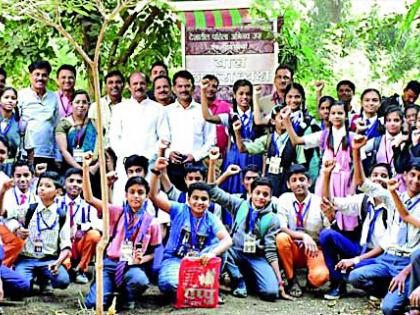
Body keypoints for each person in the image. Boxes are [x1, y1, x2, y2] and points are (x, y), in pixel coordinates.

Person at [83, 153, 162, 311]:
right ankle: (107, 287)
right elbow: (89, 198)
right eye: (132, 192)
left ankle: (126, 295)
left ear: (147, 197)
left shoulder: (152, 222)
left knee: (139, 280)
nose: (136, 196)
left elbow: (157, 250)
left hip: (132, 265)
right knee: (93, 304)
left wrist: (143, 259)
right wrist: (85, 167)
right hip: (111, 263)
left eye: (140, 193)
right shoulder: (117, 212)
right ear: (126, 195)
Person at [319, 137, 394, 300]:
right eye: (375, 175)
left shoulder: (393, 205)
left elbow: (384, 246)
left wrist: (355, 260)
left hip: (382, 256)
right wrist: (326, 175)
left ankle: (380, 289)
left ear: (391, 180)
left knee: (354, 270)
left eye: (384, 175)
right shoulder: (364, 199)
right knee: (327, 235)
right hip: (362, 250)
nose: (379, 179)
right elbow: (329, 202)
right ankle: (338, 284)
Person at [148, 156, 232, 298]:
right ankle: (201, 288)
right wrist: (156, 172)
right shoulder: (178, 209)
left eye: (204, 199)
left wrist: (212, 253)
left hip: (200, 260)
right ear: (188, 199)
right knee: (168, 285)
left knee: (220, 248)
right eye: (195, 198)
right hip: (176, 259)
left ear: (209, 201)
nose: (199, 202)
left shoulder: (211, 218)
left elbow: (227, 240)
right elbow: (154, 197)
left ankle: (200, 286)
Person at [348, 158, 420, 315]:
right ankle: (389, 291)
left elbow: (406, 216)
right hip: (388, 258)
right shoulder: (391, 197)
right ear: (405, 175)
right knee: (354, 276)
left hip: (408, 263)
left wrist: (404, 273)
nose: (415, 181)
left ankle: (406, 295)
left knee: (388, 309)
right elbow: (361, 182)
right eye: (412, 175)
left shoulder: (397, 197)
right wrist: (356, 150)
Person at [208, 172, 291, 301]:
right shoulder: (239, 204)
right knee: (219, 245)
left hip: (256, 256)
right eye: (257, 193)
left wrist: (280, 283)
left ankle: (248, 279)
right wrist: (213, 163)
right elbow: (213, 191)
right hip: (234, 252)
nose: (261, 197)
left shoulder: (273, 219)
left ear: (270, 197)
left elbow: (270, 250)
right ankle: (237, 278)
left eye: (265, 194)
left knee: (270, 293)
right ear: (251, 193)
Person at [109, 71, 169, 204]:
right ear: (129, 87)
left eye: (142, 83)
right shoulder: (120, 109)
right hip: (126, 165)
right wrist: (126, 158)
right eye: (135, 84)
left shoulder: (158, 109)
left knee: (149, 202)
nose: (138, 87)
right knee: (122, 201)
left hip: (149, 164)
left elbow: (164, 137)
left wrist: (148, 157)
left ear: (147, 85)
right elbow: (113, 137)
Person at [10, 171, 71, 294]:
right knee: (20, 288)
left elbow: (66, 245)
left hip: (48, 260)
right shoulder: (28, 208)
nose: (42, 188)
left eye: (48, 186)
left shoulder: (61, 214)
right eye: (40, 185)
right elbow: (7, 216)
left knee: (63, 281)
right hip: (26, 258)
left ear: (58, 191)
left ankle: (44, 279)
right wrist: (17, 228)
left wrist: (57, 263)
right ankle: (30, 280)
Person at [276, 164, 330, 297]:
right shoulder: (284, 199)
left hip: (313, 248)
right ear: (288, 184)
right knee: (281, 238)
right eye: (294, 180)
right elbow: (282, 227)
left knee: (320, 277)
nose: (298, 183)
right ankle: (291, 279)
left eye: (302, 179)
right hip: (292, 246)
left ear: (309, 182)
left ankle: (310, 281)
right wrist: (303, 236)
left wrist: (331, 215)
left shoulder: (319, 202)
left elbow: (328, 229)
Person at [283, 101, 354, 201]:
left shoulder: (352, 137)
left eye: (340, 113)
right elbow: (296, 141)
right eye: (333, 113)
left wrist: (352, 188)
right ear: (328, 117)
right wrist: (286, 120)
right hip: (325, 181)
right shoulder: (323, 135)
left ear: (346, 116)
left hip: (345, 182)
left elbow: (356, 165)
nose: (336, 116)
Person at [201, 78, 262, 194]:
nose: (245, 97)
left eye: (248, 94)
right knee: (232, 190)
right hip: (234, 157)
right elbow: (208, 117)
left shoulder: (257, 116)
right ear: (234, 95)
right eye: (241, 94)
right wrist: (203, 92)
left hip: (253, 156)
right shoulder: (229, 116)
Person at [234, 104, 306, 196]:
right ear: (272, 121)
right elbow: (243, 149)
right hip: (269, 186)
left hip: (287, 187)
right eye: (281, 118)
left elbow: (301, 165)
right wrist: (237, 133)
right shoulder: (267, 139)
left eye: (288, 118)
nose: (285, 120)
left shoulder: (295, 140)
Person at [165, 70, 215, 191]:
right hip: (173, 166)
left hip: (196, 166)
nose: (184, 89)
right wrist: (168, 153)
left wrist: (195, 156)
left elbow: (211, 140)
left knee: (197, 200)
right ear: (174, 89)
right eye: (180, 86)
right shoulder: (166, 112)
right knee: (173, 202)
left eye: (187, 86)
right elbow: (160, 139)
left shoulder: (203, 111)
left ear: (193, 88)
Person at [58, 168, 102, 284]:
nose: (75, 184)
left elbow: (98, 224)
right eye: (71, 180)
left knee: (94, 235)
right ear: (64, 184)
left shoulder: (88, 205)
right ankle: (63, 267)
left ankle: (80, 269)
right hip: (60, 244)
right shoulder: (56, 202)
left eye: (79, 182)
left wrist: (80, 227)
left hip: (78, 243)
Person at [18, 60, 60, 169]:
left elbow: (56, 127)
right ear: (30, 76)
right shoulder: (21, 95)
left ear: (48, 77)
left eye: (44, 75)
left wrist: (58, 156)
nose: (40, 78)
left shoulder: (53, 97)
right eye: (37, 74)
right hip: (26, 154)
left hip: (48, 154)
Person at [0, 161, 37, 267]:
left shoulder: (37, 194)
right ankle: (4, 267)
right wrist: (16, 229)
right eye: (18, 176)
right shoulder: (8, 193)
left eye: (26, 175)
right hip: (9, 231)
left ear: (32, 176)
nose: (22, 179)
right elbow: (2, 214)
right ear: (13, 177)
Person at [88, 70, 125, 148]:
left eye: (118, 82)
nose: (114, 85)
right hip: (101, 152)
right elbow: (91, 134)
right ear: (105, 86)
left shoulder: (129, 106)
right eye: (110, 82)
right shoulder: (96, 107)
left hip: (123, 152)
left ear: (123, 85)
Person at [201, 74, 232, 156]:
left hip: (222, 157)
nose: (210, 89)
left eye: (214, 86)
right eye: (207, 86)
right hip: (200, 156)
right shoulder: (196, 109)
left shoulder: (226, 107)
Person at [0, 87, 21, 176]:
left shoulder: (19, 122)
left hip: (11, 165)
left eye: (13, 98)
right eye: (6, 97)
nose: (10, 100)